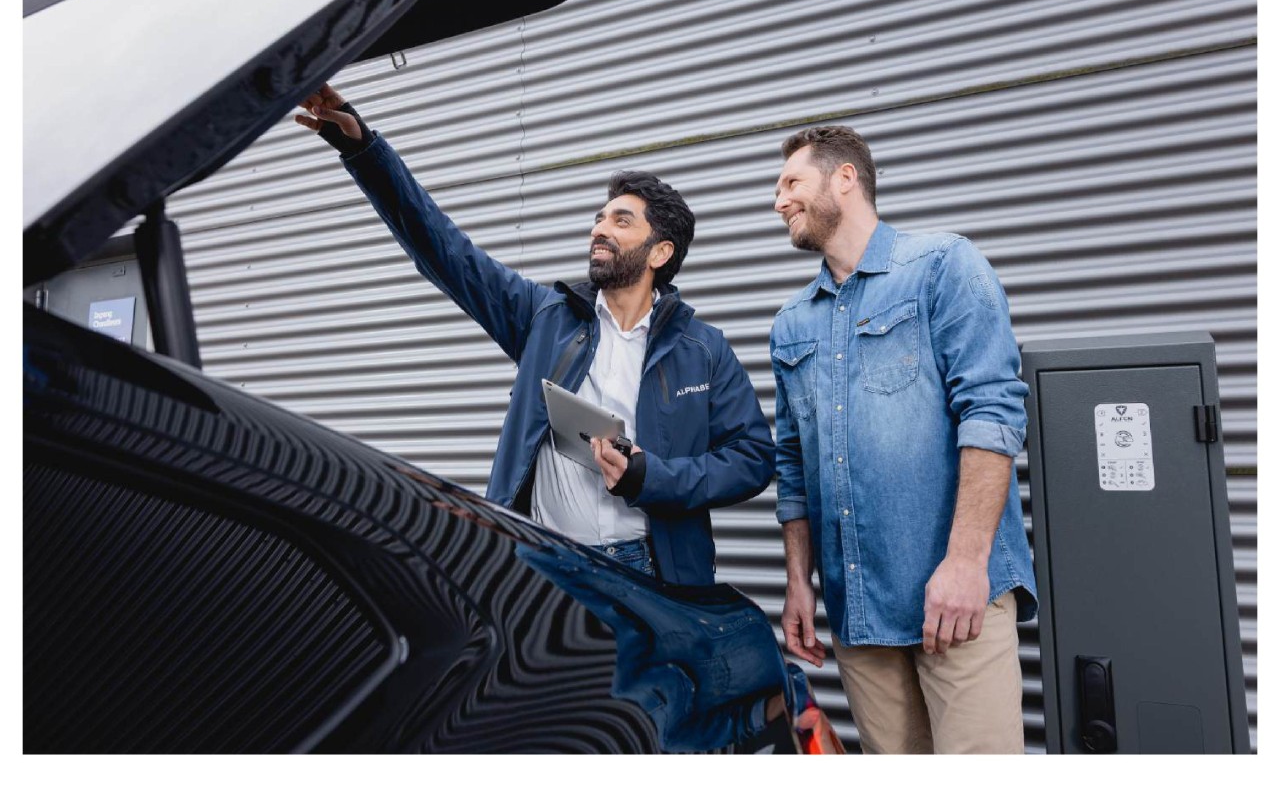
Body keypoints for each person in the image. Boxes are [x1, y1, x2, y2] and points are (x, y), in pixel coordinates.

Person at [295, 84, 774, 584]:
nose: (598, 229)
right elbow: (442, 248)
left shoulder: (704, 349)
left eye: (620, 220)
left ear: (659, 253)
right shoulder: (545, 316)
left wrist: (649, 475)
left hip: (654, 572)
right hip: (550, 564)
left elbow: (752, 460)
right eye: (598, 218)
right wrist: (362, 148)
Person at [769, 125, 1038, 754]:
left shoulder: (942, 266)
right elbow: (793, 463)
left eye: (790, 183)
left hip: (955, 596)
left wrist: (967, 563)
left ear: (845, 178)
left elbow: (992, 412)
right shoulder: (791, 323)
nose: (777, 201)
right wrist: (798, 581)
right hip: (859, 612)